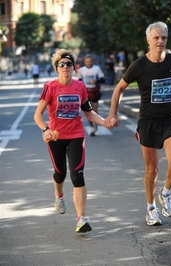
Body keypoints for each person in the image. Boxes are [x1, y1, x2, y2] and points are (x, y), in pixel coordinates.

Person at [104, 21, 171, 226]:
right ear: (148, 40)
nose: (160, 41)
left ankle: (166, 192)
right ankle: (151, 208)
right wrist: (112, 114)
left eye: (163, 38)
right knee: (152, 170)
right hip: (148, 122)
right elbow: (119, 89)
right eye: (156, 38)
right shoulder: (139, 66)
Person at [33, 49, 107, 233]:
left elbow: (88, 112)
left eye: (69, 64)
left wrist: (104, 122)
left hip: (76, 135)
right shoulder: (50, 87)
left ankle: (81, 218)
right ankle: (59, 195)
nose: (66, 67)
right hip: (56, 137)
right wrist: (46, 129)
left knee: (77, 176)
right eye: (62, 64)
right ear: (57, 68)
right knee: (60, 174)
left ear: (74, 68)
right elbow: (37, 115)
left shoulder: (80, 87)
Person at [78, 54, 105, 136]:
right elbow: (79, 81)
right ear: (84, 62)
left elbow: (103, 79)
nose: (88, 63)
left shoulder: (97, 69)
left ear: (92, 61)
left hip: (95, 90)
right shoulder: (81, 70)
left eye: (90, 62)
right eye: (87, 62)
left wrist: (96, 81)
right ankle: (92, 126)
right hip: (86, 91)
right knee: (88, 110)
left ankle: (95, 125)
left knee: (95, 107)